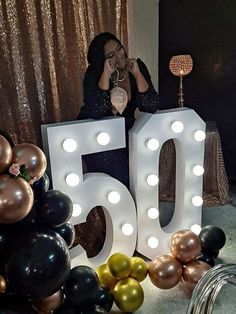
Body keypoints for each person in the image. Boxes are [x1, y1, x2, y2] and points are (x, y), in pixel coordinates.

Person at [78, 32, 159, 188]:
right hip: (97, 137)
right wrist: (106, 74)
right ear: (103, 60)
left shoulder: (137, 66)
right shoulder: (94, 73)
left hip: (125, 133)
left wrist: (137, 74)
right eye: (111, 55)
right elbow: (97, 110)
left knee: (139, 179)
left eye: (119, 48)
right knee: (117, 183)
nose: (119, 56)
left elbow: (151, 105)